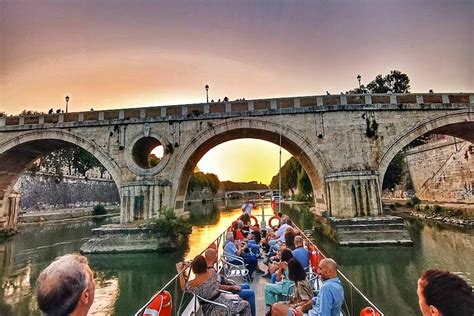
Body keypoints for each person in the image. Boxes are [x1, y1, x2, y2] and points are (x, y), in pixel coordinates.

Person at [176, 255, 250, 316]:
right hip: (222, 305)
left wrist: (180, 272)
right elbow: (219, 280)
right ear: (205, 264)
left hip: (210, 309)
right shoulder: (212, 273)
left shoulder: (193, 283)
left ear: (194, 268)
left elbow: (183, 288)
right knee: (246, 305)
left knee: (242, 304)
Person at [204, 249, 256, 316]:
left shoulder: (209, 269)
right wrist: (233, 287)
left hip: (226, 288)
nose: (217, 256)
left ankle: (247, 312)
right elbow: (218, 287)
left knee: (246, 285)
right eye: (216, 255)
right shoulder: (211, 272)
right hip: (226, 292)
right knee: (251, 293)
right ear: (214, 256)